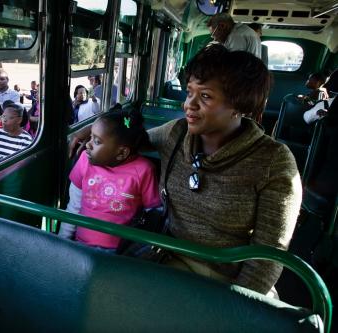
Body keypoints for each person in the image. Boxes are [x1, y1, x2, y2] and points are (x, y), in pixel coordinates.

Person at [69, 44, 302, 296]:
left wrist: (236, 305)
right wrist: (91, 129)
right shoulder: (177, 132)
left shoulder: (273, 162)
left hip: (227, 278)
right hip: (166, 254)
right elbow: (128, 139)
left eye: (205, 96)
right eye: (190, 92)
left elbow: (267, 257)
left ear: (238, 105)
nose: (189, 105)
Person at [58, 108, 161, 252]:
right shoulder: (85, 160)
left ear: (121, 153)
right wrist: (62, 242)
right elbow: (74, 206)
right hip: (79, 245)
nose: (88, 144)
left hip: (120, 252)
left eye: (97, 141)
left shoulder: (144, 170)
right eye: (90, 137)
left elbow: (152, 213)